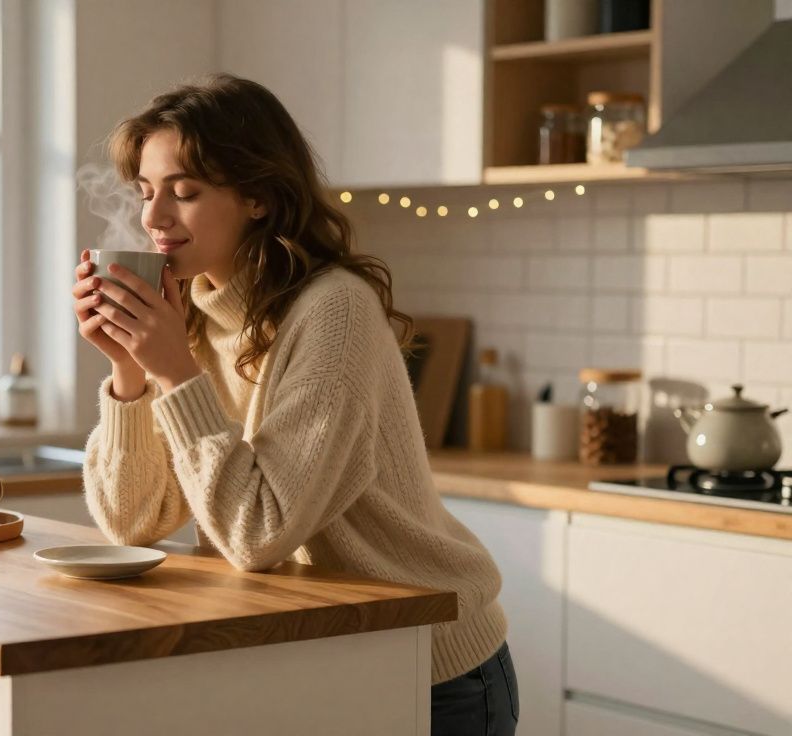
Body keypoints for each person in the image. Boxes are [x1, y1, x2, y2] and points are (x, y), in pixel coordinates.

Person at [71, 74, 519, 735]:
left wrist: (175, 372)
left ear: (257, 195)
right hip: (312, 656)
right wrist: (130, 372)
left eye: (185, 192)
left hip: (430, 669)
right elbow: (131, 521)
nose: (154, 218)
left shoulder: (334, 312)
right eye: (146, 193)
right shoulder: (189, 316)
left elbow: (259, 531)